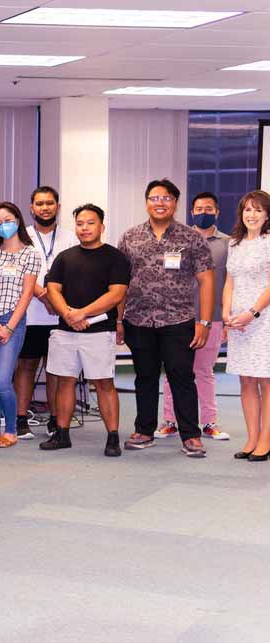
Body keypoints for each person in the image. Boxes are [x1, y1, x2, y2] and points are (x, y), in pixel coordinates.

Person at [117, 178, 214, 457]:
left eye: (166, 198)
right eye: (154, 198)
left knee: (181, 376)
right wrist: (119, 320)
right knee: (144, 377)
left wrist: (204, 322)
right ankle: (144, 430)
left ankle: (191, 435)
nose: (160, 203)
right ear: (146, 202)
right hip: (138, 320)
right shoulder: (130, 237)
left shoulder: (191, 238)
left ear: (176, 203)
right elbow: (120, 284)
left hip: (179, 320)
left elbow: (207, 282)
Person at [39, 204, 130, 457]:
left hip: (100, 332)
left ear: (102, 226)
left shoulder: (115, 257)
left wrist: (83, 313)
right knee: (64, 381)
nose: (85, 228)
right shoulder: (64, 257)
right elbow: (53, 290)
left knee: (103, 383)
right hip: (65, 330)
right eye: (80, 223)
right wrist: (69, 314)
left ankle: (112, 438)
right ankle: (62, 434)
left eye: (90, 223)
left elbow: (116, 294)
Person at [156, 192, 232, 442]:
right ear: (190, 211)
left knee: (203, 370)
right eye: (198, 208)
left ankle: (209, 422)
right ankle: (170, 421)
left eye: (208, 208)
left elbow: (230, 284)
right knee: (174, 371)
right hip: (176, 318)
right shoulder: (178, 240)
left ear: (217, 212)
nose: (203, 212)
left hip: (211, 319)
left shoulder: (228, 244)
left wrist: (224, 321)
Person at [0, 202, 41, 448]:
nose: (3, 225)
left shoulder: (30, 253)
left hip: (12, 322)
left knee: (3, 379)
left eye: (7, 220)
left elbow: (26, 295)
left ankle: (11, 430)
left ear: (17, 219)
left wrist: (9, 327)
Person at [15, 187, 75, 440]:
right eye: (39, 203)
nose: (45, 208)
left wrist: (56, 300)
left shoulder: (70, 238)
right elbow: (17, 270)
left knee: (56, 368)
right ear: (32, 208)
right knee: (26, 365)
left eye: (50, 203)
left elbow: (75, 274)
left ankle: (54, 418)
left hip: (61, 314)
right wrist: (42, 294)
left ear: (58, 207)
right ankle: (20, 418)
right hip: (30, 313)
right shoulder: (22, 237)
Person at [223, 190, 270, 461]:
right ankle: (252, 438)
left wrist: (251, 313)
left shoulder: (268, 242)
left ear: (267, 215)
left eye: (258, 210)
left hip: (263, 319)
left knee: (265, 380)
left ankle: (266, 439)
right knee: (246, 381)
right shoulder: (235, 244)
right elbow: (230, 283)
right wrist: (227, 315)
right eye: (247, 210)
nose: (251, 215)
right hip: (239, 321)